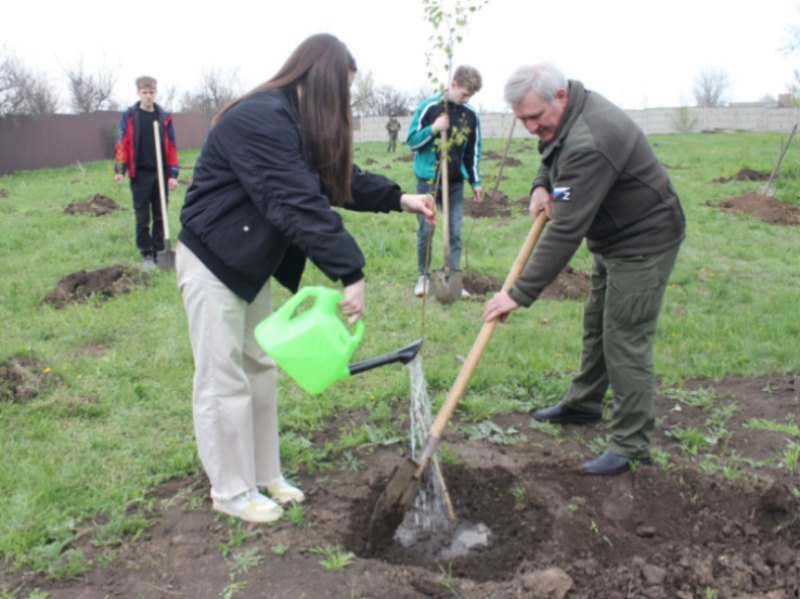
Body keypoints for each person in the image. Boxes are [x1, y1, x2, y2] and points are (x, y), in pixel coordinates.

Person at [176, 34, 435, 523]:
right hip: (213, 262)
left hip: (248, 265)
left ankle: (264, 474)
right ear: (319, 80)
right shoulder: (259, 119)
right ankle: (231, 491)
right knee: (221, 378)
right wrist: (350, 271)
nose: (343, 104)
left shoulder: (293, 124)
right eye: (342, 91)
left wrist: (400, 198)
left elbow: (338, 178)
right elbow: (294, 199)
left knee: (259, 367)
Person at [483, 63, 686, 476]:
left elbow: (566, 229)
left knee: (624, 339)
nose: (529, 128)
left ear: (560, 96)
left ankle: (631, 446)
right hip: (614, 237)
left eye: (535, 117)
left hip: (643, 242)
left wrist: (518, 294)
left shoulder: (591, 138)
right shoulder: (567, 115)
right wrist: (541, 184)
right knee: (597, 324)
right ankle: (584, 404)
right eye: (521, 119)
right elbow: (552, 153)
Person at [407, 65, 483, 299]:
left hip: (456, 183)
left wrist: (475, 181)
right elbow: (411, 141)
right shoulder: (429, 108)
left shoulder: (470, 114)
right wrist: (434, 129)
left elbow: (473, 151)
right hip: (428, 181)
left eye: (471, 95)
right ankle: (424, 277)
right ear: (453, 84)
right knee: (426, 230)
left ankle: (454, 279)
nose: (467, 99)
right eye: (464, 94)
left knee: (456, 232)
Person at [114, 76, 179, 272]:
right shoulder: (130, 116)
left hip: (160, 173)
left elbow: (172, 147)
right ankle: (146, 253)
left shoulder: (163, 117)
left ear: (155, 93)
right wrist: (120, 170)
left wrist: (173, 174)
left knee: (160, 216)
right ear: (138, 93)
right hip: (140, 174)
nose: (148, 96)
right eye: (145, 92)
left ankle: (160, 251)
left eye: (151, 92)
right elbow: (122, 143)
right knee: (142, 217)